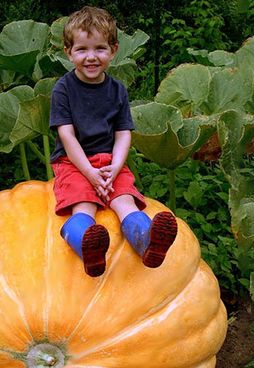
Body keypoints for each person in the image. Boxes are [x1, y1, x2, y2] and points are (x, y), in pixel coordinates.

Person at [50, 5, 177, 277]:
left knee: (124, 203)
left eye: (100, 49)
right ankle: (87, 246)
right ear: (68, 52)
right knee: (83, 206)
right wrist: (89, 173)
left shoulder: (117, 89)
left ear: (114, 50)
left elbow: (123, 133)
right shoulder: (63, 88)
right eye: (82, 49)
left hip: (110, 163)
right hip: (73, 163)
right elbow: (66, 135)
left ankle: (147, 241)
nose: (91, 57)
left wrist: (116, 167)